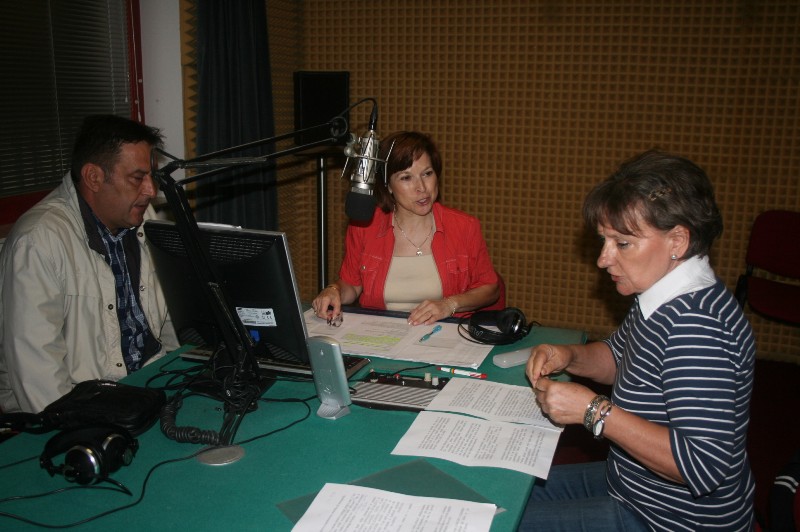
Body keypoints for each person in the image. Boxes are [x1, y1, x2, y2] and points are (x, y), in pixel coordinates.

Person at [520, 150, 756, 531]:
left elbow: (702, 465)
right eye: (604, 240)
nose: (603, 259)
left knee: (499, 523)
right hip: (631, 484)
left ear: (677, 240)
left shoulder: (696, 326)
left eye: (622, 243)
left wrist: (593, 411)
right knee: (508, 494)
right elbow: (618, 358)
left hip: (670, 520)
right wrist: (566, 355)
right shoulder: (661, 293)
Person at [0, 114, 179, 414]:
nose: (151, 190)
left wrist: (187, 375)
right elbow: (38, 378)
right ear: (94, 177)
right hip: (80, 408)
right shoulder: (37, 241)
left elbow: (170, 322)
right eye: (137, 178)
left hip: (145, 387)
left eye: (151, 177)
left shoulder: (142, 219)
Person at [312, 131, 501, 326]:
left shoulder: (464, 227)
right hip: (381, 333)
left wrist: (449, 304)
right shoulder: (364, 226)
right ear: (388, 186)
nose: (422, 188)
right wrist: (333, 290)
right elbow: (352, 285)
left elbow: (490, 288)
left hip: (443, 333)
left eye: (427, 174)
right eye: (406, 178)